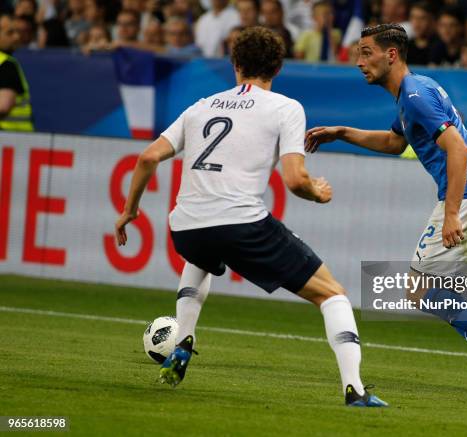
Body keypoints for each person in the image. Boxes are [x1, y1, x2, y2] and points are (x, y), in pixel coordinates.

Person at [113, 26, 387, 407]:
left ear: (234, 64)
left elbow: (147, 157)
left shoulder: (201, 106)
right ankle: (355, 389)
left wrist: (129, 211)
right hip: (241, 224)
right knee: (332, 295)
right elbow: (294, 179)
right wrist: (317, 193)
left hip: (186, 227)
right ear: (277, 67)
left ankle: (184, 340)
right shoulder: (285, 108)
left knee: (201, 256)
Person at [305, 23, 467, 393]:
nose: (359, 62)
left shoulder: (414, 95)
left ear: (390, 54)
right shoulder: (416, 91)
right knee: (450, 296)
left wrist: (452, 213)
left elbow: (456, 148)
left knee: (418, 290)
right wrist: (342, 132)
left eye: (366, 53)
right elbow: (396, 142)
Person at [0, 14, 34, 132]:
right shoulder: (5, 63)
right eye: (10, 33)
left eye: (17, 32)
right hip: (11, 139)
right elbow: (3, 106)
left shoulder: (6, 63)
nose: (17, 37)